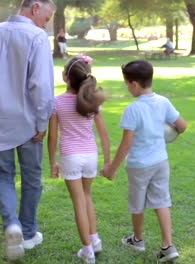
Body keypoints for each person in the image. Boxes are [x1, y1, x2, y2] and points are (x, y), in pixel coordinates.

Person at [0, 0, 56, 261]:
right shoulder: (37, 36)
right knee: (32, 178)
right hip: (28, 122)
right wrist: (42, 122)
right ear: (35, 7)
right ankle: (29, 231)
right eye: (47, 15)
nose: (47, 21)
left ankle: (11, 225)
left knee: (3, 176)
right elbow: (41, 86)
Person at [100, 60, 187, 263]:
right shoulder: (163, 102)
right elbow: (182, 126)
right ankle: (168, 246)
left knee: (137, 203)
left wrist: (112, 169)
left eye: (126, 83)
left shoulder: (133, 109)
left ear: (134, 84)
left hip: (139, 165)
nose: (126, 87)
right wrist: (169, 133)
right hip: (160, 161)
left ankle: (138, 240)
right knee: (162, 201)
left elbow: (126, 144)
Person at [48, 54, 110, 264]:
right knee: (87, 196)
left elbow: (53, 136)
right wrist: (108, 160)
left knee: (78, 203)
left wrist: (52, 162)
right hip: (91, 155)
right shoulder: (92, 101)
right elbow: (103, 134)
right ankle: (95, 239)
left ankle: (87, 250)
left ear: (66, 77)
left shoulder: (57, 103)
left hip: (70, 157)